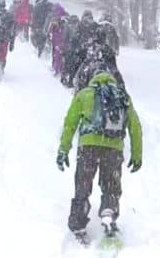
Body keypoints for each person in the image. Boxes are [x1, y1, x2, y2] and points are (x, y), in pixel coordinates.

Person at [56, 70, 142, 245]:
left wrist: (63, 150)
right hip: (113, 148)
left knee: (83, 185)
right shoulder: (122, 97)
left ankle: (78, 224)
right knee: (111, 186)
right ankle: (109, 213)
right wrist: (136, 154)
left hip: (88, 147)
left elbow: (70, 123)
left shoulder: (85, 94)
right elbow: (135, 127)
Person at [48, 3, 68, 76]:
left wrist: (50, 36)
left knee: (56, 55)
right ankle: (60, 69)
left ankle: (57, 69)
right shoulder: (66, 17)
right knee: (60, 55)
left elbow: (51, 29)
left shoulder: (55, 18)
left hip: (57, 39)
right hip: (63, 39)